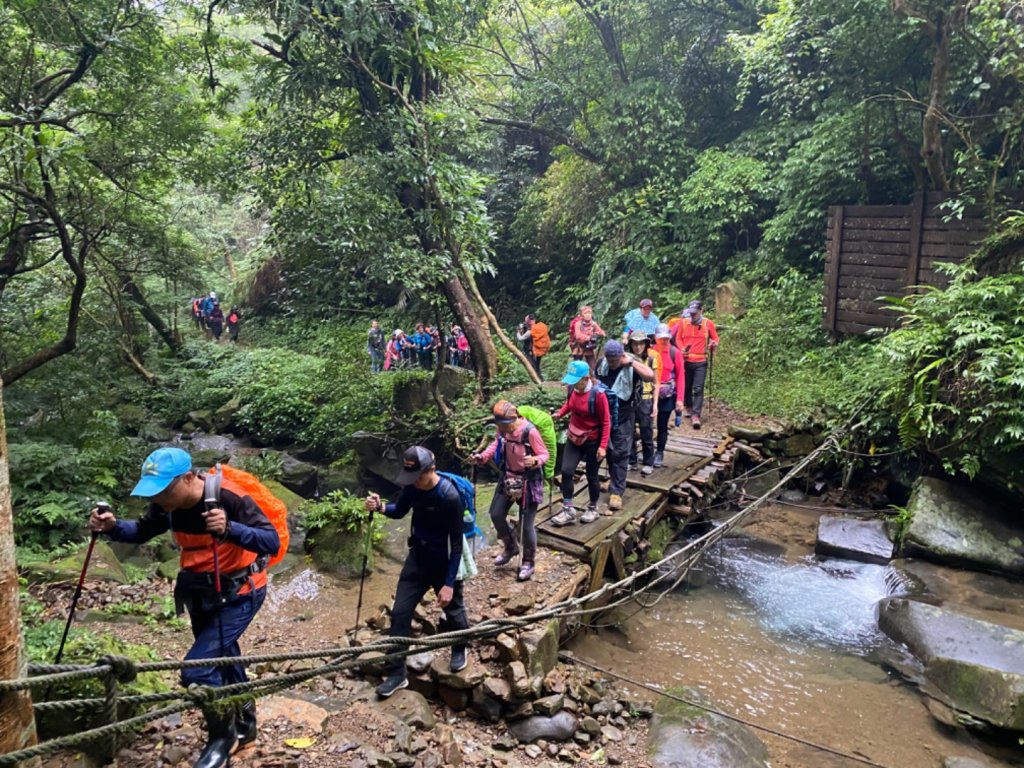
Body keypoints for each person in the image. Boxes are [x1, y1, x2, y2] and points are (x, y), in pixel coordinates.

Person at [89, 448, 279, 768]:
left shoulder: (230, 497)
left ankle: (223, 737)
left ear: (188, 478)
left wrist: (230, 528)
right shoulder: (169, 505)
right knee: (226, 656)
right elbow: (141, 530)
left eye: (163, 489)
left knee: (198, 668)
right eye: (155, 492)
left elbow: (270, 541)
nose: (159, 498)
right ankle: (246, 725)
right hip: (200, 592)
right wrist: (111, 527)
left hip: (240, 593)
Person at [364, 447, 469, 697]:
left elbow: (456, 544)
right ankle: (397, 672)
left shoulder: (450, 496)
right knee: (400, 612)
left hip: (443, 560)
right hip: (417, 559)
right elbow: (399, 511)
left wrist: (449, 583)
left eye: (417, 477)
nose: (414, 483)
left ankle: (459, 647)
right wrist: (380, 507)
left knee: (453, 609)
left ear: (430, 470)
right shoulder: (412, 486)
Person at [471, 401, 548, 581]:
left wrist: (536, 460)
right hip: (507, 478)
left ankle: (528, 561)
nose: (502, 428)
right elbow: (496, 445)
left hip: (529, 480)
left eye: (504, 425)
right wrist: (482, 457)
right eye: (499, 425)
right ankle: (510, 547)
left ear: (513, 419)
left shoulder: (530, 432)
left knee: (526, 525)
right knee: (496, 514)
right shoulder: (502, 430)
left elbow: (544, 454)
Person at [596, 340, 655, 511]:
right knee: (607, 448)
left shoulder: (630, 365)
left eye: (615, 360)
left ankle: (617, 491)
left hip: (624, 414)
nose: (612, 364)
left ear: (621, 356)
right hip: (605, 414)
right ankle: (613, 480)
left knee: (621, 452)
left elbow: (650, 376)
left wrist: (631, 363)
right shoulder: (603, 364)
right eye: (610, 360)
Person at [551, 360, 611, 525]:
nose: (572, 384)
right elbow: (569, 404)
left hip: (593, 441)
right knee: (567, 471)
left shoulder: (598, 395)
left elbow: (606, 422)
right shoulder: (572, 389)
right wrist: (560, 414)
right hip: (574, 437)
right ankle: (568, 509)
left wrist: (603, 446)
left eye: (576, 380)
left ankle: (592, 508)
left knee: (592, 475)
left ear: (586, 378)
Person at [672, 300, 719, 430]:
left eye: (696, 313)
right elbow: (678, 338)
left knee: (698, 388)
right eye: (691, 313)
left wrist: (713, 344)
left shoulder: (708, 323)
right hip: (686, 360)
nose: (693, 316)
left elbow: (715, 338)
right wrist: (682, 349)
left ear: (701, 311)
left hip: (701, 361)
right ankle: (688, 406)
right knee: (687, 386)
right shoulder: (683, 322)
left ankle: (696, 415)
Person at [626, 330, 660, 476]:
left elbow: (656, 382)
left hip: (646, 398)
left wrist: (655, 404)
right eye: (635, 344)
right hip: (630, 399)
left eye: (641, 344)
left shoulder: (651, 359)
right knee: (630, 432)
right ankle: (631, 460)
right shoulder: (626, 359)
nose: (638, 347)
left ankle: (648, 462)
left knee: (646, 432)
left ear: (646, 344)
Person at [652, 324, 684, 467]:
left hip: (667, 394)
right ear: (655, 338)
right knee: (646, 422)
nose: (663, 341)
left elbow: (680, 376)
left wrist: (680, 399)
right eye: (661, 338)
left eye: (666, 338)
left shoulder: (674, 352)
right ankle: (647, 451)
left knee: (662, 424)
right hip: (652, 392)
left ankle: (659, 452)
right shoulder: (651, 351)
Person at [568, 306, 606, 373]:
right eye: (586, 313)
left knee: (593, 365)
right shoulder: (578, 324)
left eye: (590, 313)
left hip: (588, 347)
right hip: (578, 346)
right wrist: (588, 337)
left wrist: (597, 335)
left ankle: (596, 378)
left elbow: (601, 332)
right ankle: (572, 380)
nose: (588, 315)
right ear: (582, 315)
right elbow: (578, 335)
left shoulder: (593, 323)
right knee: (577, 365)